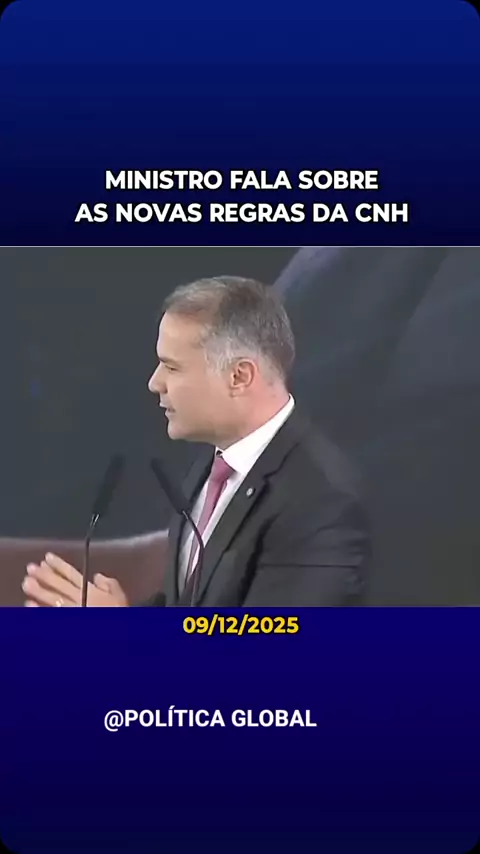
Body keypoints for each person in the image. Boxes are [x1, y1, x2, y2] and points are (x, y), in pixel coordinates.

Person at [22, 276, 370, 607]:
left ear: (239, 376)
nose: (154, 382)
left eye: (172, 367)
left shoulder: (319, 500)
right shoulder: (213, 466)